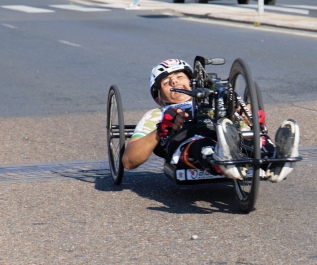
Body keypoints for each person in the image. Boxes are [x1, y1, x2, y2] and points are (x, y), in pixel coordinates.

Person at [122, 59, 299, 183]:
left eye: (179, 76)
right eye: (166, 82)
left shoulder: (216, 100)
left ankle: (276, 159)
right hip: (187, 141)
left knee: (253, 138)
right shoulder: (155, 114)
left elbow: (244, 126)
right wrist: (160, 131)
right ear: (160, 98)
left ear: (193, 81)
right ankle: (221, 157)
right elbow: (129, 161)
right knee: (201, 145)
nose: (174, 80)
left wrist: (249, 119)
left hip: (229, 132)